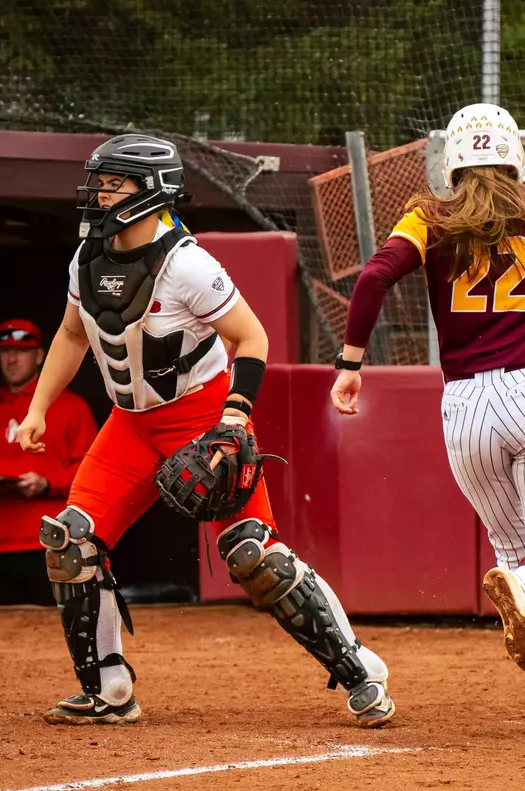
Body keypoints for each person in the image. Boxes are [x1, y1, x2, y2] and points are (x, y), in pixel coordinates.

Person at [16, 133, 395, 728]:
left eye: (114, 182)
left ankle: (358, 671)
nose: (99, 193)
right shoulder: (88, 254)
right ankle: (107, 690)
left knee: (252, 555)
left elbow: (253, 338)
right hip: (129, 424)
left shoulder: (186, 262)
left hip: (202, 416)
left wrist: (236, 416)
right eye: (101, 181)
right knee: (71, 542)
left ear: (150, 191)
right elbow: (70, 334)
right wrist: (38, 408)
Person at [331, 104, 525, 710]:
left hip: (465, 406)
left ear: (453, 162)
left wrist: (350, 366)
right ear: (514, 155)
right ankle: (522, 588)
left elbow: (373, 278)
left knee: (520, 553)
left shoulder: (427, 216)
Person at [0, 318, 95, 605]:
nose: (12, 359)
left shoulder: (72, 407)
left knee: (52, 632)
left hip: (49, 543)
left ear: (41, 356)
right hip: (2, 542)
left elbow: (91, 471)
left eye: (22, 351)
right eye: (5, 352)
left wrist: (47, 483)